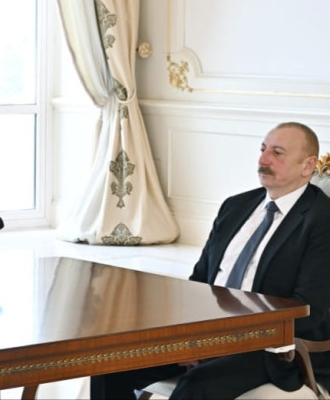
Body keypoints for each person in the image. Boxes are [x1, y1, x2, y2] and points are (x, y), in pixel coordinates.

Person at [91, 122, 330, 399]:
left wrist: (223, 342)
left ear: (307, 165)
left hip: (271, 347)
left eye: (277, 153)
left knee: (197, 385)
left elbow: (308, 311)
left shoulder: (322, 220)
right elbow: (200, 282)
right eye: (263, 149)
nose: (263, 159)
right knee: (110, 362)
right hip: (209, 333)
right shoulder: (235, 206)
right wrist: (190, 338)